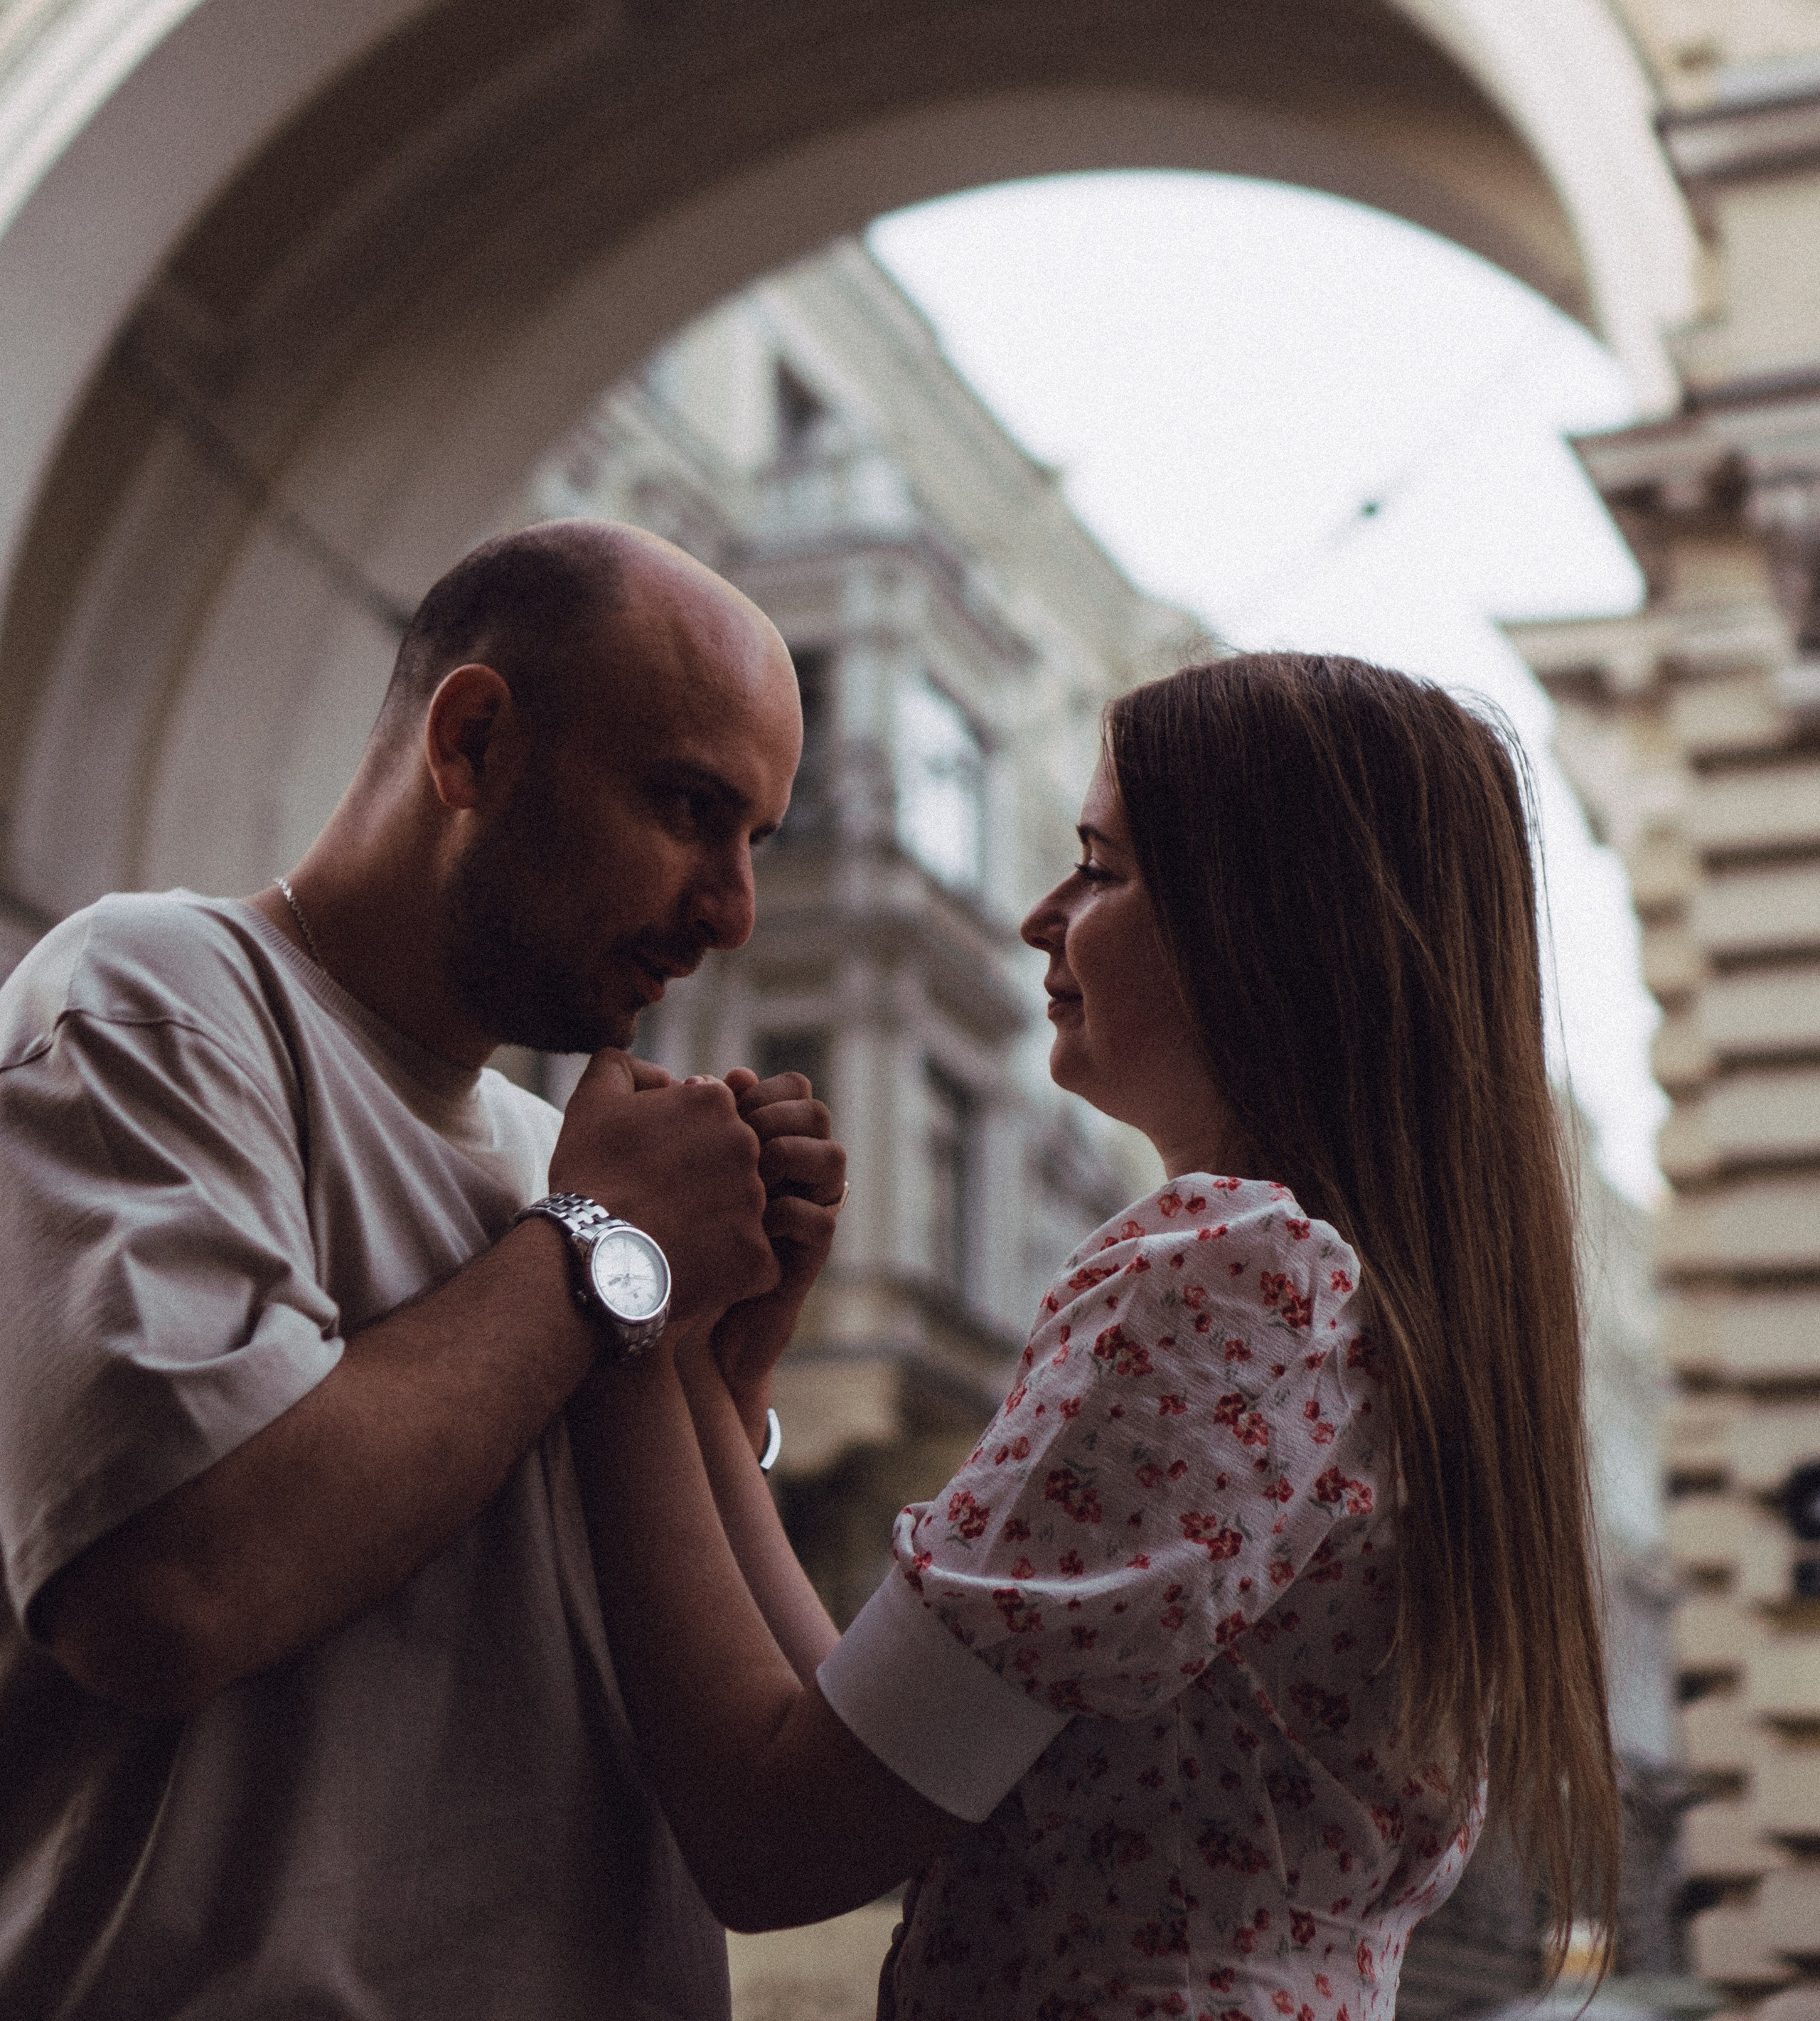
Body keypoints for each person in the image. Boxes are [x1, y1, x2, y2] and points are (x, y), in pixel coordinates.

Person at [568, 651, 1622, 2021]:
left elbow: (776, 1840)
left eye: (1101, 869)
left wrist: (606, 1260)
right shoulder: (1374, 1308)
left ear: (1276, 925)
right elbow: (859, 1734)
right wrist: (707, 1374)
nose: (1036, 916)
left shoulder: (1238, 1273)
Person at [0, 518, 847, 2021]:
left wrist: (723, 1371)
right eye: (684, 808)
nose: (730, 909)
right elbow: (167, 1593)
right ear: (471, 743)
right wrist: (604, 1252)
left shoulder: (567, 1162)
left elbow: (755, 1779)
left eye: (752, 843)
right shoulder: (154, 998)